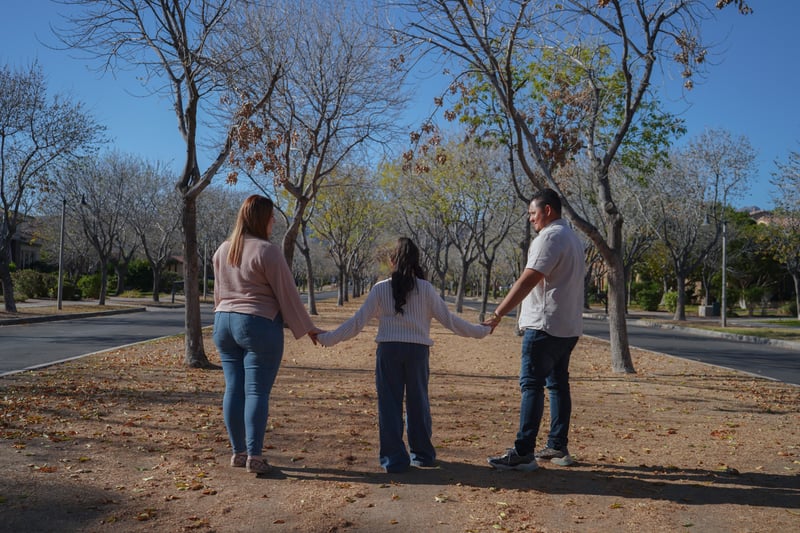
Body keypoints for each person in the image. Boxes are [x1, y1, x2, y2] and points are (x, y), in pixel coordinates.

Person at [316, 237, 490, 473]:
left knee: (389, 405)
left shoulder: (380, 289)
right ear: (417, 261)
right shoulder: (426, 289)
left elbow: (356, 323)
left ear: (392, 261)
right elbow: (450, 321)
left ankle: (394, 460)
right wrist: (481, 331)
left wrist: (327, 338)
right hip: (417, 353)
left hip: (389, 351)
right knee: (419, 404)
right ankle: (422, 455)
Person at [212, 194, 321, 475]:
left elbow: (218, 293)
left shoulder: (223, 249)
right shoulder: (267, 251)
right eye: (271, 216)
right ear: (262, 219)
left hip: (223, 322)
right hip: (257, 323)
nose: (274, 221)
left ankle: (238, 453)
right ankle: (255, 457)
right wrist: (307, 328)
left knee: (233, 389)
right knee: (256, 391)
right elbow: (287, 293)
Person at [484, 188, 585, 471]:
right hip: (567, 326)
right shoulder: (573, 238)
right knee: (558, 385)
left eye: (532, 213)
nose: (530, 219)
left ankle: (523, 452)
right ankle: (557, 445)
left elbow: (528, 279)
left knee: (531, 385)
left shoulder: (550, 238)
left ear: (547, 210)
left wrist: (498, 313)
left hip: (544, 325)